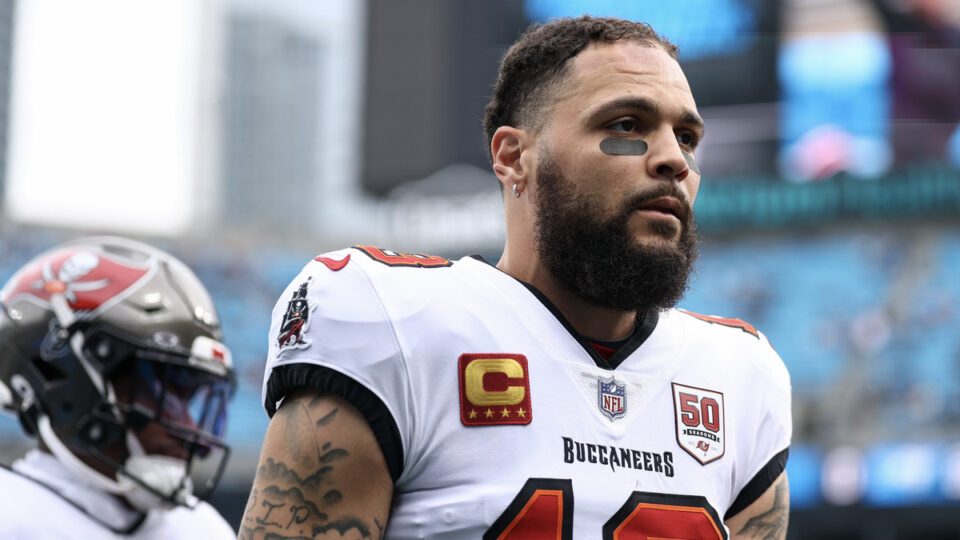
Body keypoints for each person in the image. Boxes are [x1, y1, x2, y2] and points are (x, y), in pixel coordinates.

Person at [243, 16, 791, 539]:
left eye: (688, 138)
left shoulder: (741, 376)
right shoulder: (393, 320)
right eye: (626, 126)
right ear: (513, 156)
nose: (674, 159)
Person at [0, 236, 237, 539]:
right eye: (161, 391)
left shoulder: (201, 530)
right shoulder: (11, 518)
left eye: (187, 398)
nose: (187, 425)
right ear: (70, 384)